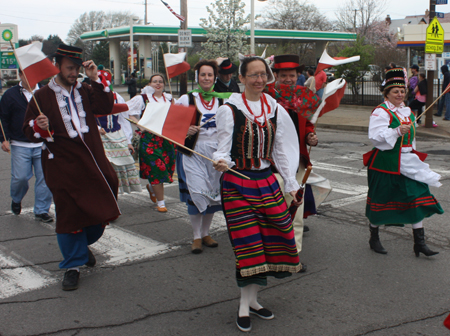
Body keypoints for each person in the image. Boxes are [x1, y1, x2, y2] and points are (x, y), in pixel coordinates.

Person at [213, 56, 302, 332]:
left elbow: (279, 149)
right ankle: (243, 304)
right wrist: (220, 160)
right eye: (253, 75)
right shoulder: (229, 109)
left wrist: (290, 182)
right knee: (249, 246)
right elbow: (222, 148)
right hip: (237, 183)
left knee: (273, 238)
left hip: (266, 181)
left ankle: (253, 300)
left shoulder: (274, 108)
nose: (260, 80)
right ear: (242, 78)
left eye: (263, 74)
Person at [22, 44, 120, 291]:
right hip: (62, 164)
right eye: (69, 68)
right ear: (57, 66)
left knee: (107, 190)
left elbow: (105, 107)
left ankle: (81, 246)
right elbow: (28, 130)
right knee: (69, 213)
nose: (74, 72)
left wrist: (95, 78)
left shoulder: (86, 89)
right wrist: (39, 125)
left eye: (77, 68)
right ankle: (73, 266)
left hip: (93, 160)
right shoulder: (42, 96)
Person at [364, 67, 443, 257]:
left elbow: (411, 139)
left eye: (402, 91)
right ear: (387, 93)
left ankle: (420, 243)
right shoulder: (381, 112)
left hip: (407, 162)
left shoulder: (406, 111)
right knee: (381, 201)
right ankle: (374, 237)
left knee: (416, 198)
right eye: (395, 91)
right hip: (386, 164)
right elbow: (375, 137)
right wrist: (397, 131)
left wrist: (411, 152)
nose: (400, 94)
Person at [268, 54, 321, 258]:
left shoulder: (303, 95)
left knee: (296, 206)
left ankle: (294, 253)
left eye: (292, 75)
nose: (288, 79)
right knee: (274, 205)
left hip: (297, 158)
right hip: (271, 161)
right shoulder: (267, 96)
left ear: (298, 75)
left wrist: (310, 136)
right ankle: (272, 248)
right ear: (276, 75)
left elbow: (308, 124)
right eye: (283, 75)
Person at [176, 59, 232, 254]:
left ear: (215, 77)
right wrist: (185, 129)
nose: (206, 78)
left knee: (212, 194)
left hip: (216, 153)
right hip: (193, 152)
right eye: (203, 74)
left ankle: (206, 234)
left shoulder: (224, 100)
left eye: (210, 75)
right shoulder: (186, 99)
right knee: (197, 192)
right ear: (197, 77)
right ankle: (196, 237)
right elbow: (171, 126)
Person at [0, 69, 53, 222]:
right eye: (26, 74)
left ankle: (42, 210)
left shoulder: (45, 92)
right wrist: (4, 138)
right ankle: (16, 199)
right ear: (20, 75)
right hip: (19, 143)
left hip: (42, 144)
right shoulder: (10, 95)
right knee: (20, 177)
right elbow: (3, 117)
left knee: (45, 178)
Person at [127, 73, 176, 212]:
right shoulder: (142, 98)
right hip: (149, 140)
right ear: (150, 84)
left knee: (166, 168)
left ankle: (152, 188)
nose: (158, 84)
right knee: (157, 169)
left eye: (160, 81)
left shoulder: (170, 98)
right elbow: (129, 112)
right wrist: (140, 125)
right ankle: (161, 203)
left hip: (166, 139)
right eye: (155, 81)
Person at [96, 69, 142, 194]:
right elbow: (86, 117)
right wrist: (97, 128)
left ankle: (113, 194)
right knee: (103, 168)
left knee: (119, 167)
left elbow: (123, 119)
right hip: (99, 137)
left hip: (117, 135)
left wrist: (128, 141)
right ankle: (103, 195)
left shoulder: (117, 97)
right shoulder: (91, 97)